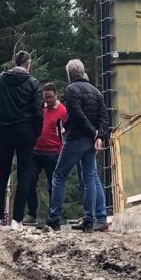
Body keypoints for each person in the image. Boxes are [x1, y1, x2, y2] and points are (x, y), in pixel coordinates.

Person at [46, 58, 109, 233]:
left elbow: (77, 114)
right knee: (90, 179)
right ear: (82, 72)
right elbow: (104, 117)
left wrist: (92, 132)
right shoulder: (96, 92)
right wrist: (98, 135)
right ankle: (90, 220)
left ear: (69, 74)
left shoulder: (71, 89)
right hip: (90, 142)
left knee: (59, 176)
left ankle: (54, 219)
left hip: (76, 139)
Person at [0, 50, 43, 231]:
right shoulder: (33, 83)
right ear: (28, 64)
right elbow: (37, 111)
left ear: (14, 62)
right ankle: (16, 220)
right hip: (26, 131)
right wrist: (36, 132)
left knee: (3, 173)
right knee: (24, 174)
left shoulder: (0, 80)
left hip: (5, 131)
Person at [24, 83, 67, 225]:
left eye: (49, 97)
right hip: (36, 151)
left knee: (53, 185)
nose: (47, 100)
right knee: (30, 180)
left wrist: (61, 151)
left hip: (53, 152)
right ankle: (32, 213)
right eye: (45, 97)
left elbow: (64, 134)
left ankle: (53, 215)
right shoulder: (42, 109)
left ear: (55, 95)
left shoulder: (62, 111)